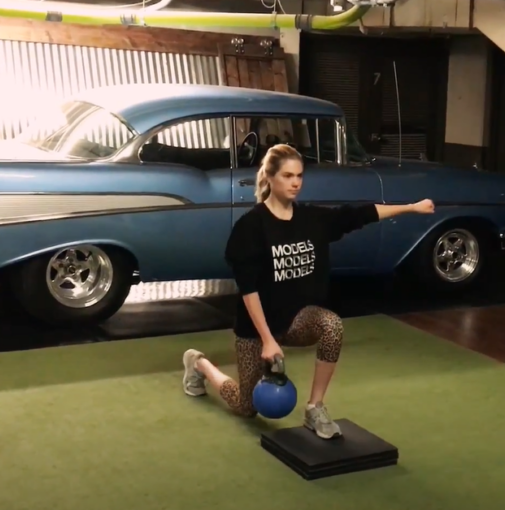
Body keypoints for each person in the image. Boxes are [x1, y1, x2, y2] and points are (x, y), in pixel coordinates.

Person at [181, 143, 435, 439]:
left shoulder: (312, 220)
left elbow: (360, 215)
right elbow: (248, 290)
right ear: (271, 178)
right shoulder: (250, 228)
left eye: (299, 176)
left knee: (332, 326)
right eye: (287, 176)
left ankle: (315, 407)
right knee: (246, 406)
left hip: (297, 320)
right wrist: (266, 340)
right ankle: (198, 364)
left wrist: (411, 208)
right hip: (256, 327)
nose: (295, 182)